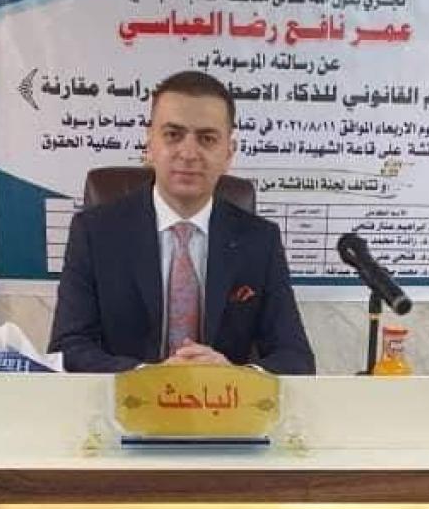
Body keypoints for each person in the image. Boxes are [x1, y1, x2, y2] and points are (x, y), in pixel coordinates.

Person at [48, 71, 315, 374]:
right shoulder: (95, 233)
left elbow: (296, 358)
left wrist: (236, 375)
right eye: (173, 135)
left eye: (207, 139)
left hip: (223, 400)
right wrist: (150, 376)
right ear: (149, 144)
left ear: (228, 153)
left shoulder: (260, 240)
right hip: (126, 400)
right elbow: (67, 349)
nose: (188, 153)